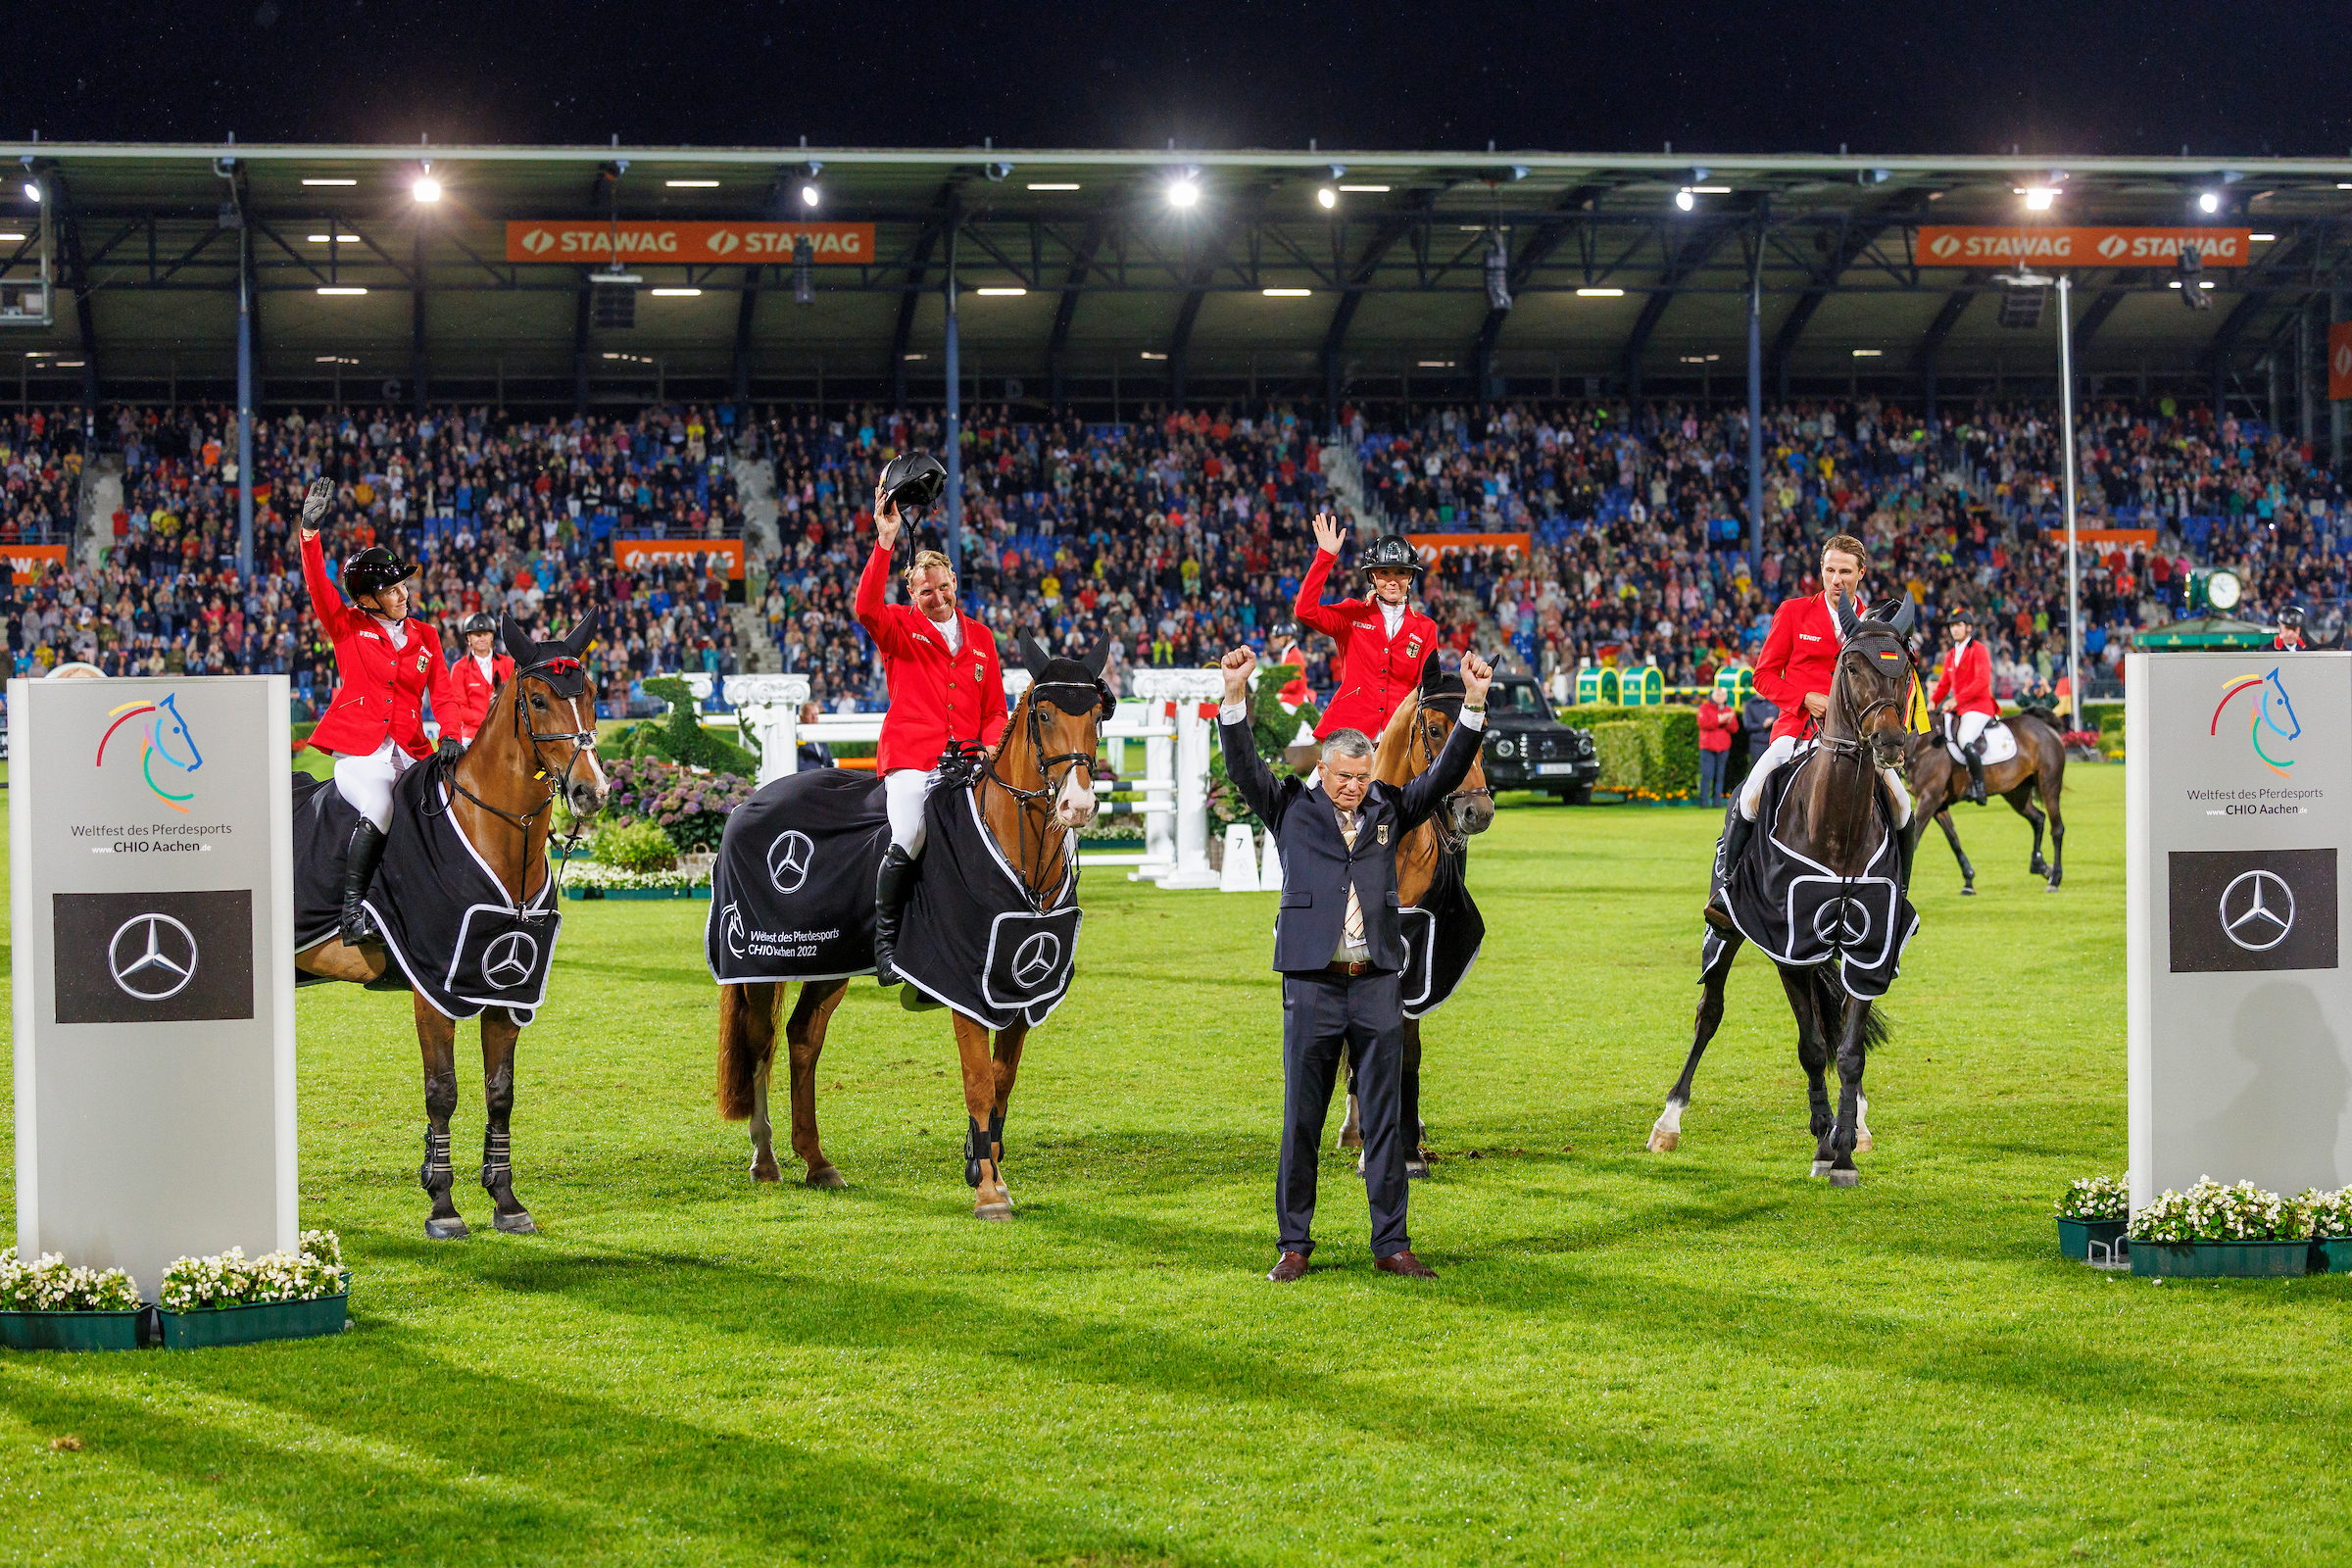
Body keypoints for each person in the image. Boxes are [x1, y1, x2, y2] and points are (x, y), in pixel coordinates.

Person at [1215, 642, 1494, 1285]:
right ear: (1322, 770)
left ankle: (1392, 1244)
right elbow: (1242, 766)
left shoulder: (1390, 811)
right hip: (1313, 986)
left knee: (1387, 1119)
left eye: (1363, 777)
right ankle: (1294, 1245)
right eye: (1343, 776)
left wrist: (1473, 705)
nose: (1353, 787)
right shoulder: (1289, 808)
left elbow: (1445, 773)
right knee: (1302, 1120)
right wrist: (1234, 696)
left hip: (1375, 987)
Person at [854, 483, 1007, 986]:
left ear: (954, 583)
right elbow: (864, 608)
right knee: (911, 834)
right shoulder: (897, 626)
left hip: (969, 762)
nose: (936, 598)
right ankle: (885, 943)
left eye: (943, 588)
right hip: (913, 758)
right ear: (911, 594)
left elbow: (995, 710)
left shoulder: (982, 637)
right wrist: (885, 541)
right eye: (925, 591)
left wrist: (989, 745)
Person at [298, 477, 460, 946]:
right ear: (367, 598)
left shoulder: (426, 635)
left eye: (404, 586)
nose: (403, 594)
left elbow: (444, 692)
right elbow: (316, 583)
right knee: (383, 804)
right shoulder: (346, 625)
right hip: (361, 752)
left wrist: (449, 734)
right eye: (393, 589)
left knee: (449, 807)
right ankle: (351, 913)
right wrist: (310, 534)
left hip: (411, 748)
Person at [1710, 534, 1868, 921]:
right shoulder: (1793, 612)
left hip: (1857, 739)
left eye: (1845, 572)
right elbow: (1762, 677)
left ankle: (1898, 891)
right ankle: (1729, 891)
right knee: (1750, 795)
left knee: (1900, 803)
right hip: (1797, 728)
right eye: (1829, 570)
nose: (1836, 580)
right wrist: (1805, 699)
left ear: (1861, 574)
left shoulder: (1874, 622)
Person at [1292, 514, 1440, 744]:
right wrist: (1325, 557)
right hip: (1350, 731)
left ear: (1410, 577)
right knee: (1315, 782)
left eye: (1400, 572)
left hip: (1400, 738)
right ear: (1372, 575)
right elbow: (1305, 611)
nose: (1393, 580)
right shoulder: (1352, 614)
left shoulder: (1426, 627)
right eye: (1385, 572)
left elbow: (1427, 686)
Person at [1933, 607, 1997, 805]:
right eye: (1952, 626)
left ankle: (1979, 787)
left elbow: (1982, 681)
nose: (1954, 630)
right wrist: (1933, 701)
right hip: (1960, 708)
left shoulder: (1979, 649)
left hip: (1979, 707)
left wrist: (1957, 699)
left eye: (1958, 625)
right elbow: (1943, 684)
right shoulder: (1952, 654)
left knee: (1964, 738)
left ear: (1969, 627)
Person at [442, 611, 513, 746]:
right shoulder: (459, 668)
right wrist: (487, 721)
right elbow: (459, 708)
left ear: (492, 636)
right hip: (472, 733)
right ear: (468, 638)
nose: (482, 639)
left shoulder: (508, 664)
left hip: (506, 730)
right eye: (477, 635)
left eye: (486, 634)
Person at [1695, 685, 1738, 808]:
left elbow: (1734, 728)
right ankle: (1703, 802)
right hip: (1707, 747)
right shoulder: (1704, 708)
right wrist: (1721, 720)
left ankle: (1716, 802)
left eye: (1722, 695)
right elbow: (1704, 724)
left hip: (1723, 747)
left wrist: (1727, 721)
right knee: (1706, 775)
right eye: (1718, 695)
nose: (1720, 697)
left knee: (1720, 775)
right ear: (1712, 696)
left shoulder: (1728, 710)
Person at [795, 701, 835, 772]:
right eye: (810, 714)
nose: (814, 718)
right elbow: (800, 765)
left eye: (816, 714)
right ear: (801, 718)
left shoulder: (820, 738)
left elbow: (829, 762)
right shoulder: (797, 737)